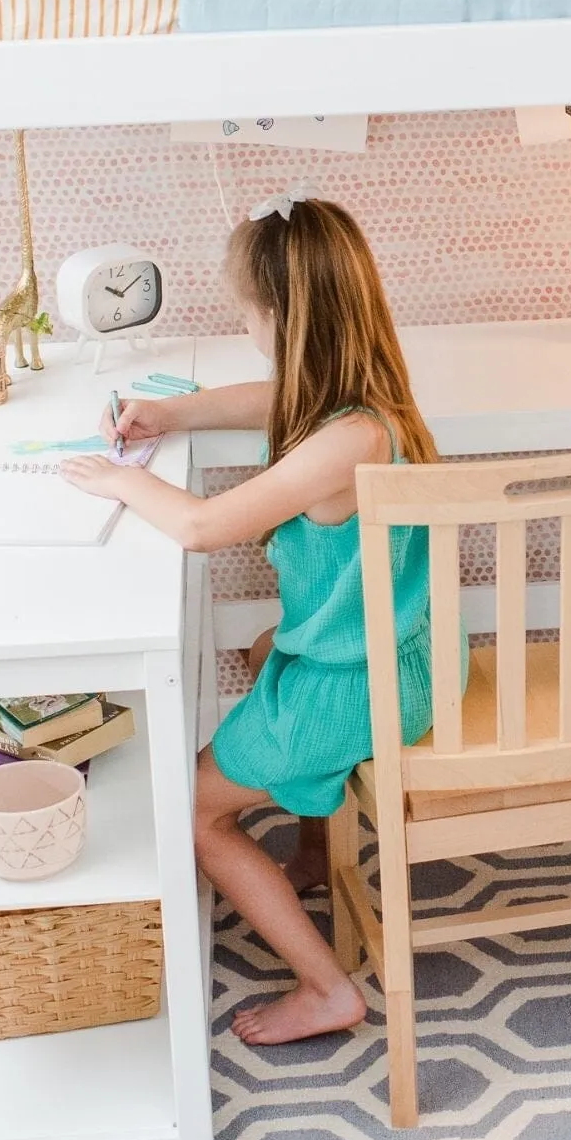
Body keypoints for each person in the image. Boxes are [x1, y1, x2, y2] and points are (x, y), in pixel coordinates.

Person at [63, 193, 439, 1045]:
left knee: (195, 810)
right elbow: (266, 397)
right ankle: (314, 852)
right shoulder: (367, 402)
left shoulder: (344, 442)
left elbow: (199, 529)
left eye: (248, 314)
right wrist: (175, 413)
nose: (247, 328)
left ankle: (327, 990)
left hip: (357, 686)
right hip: (397, 654)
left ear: (281, 318)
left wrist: (122, 479)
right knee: (269, 644)